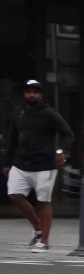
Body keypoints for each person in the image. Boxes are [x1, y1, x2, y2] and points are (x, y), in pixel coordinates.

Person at [3, 79, 73, 252]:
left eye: (35, 91)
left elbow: (68, 134)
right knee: (14, 195)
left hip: (44, 164)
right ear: (24, 94)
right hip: (20, 163)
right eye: (28, 91)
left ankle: (44, 240)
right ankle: (38, 227)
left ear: (41, 94)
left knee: (43, 202)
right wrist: (7, 162)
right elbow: (12, 138)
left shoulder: (49, 113)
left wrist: (61, 151)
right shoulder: (18, 112)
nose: (32, 94)